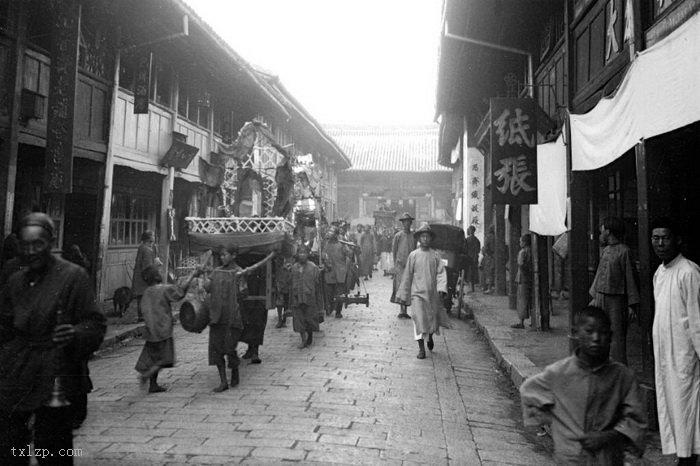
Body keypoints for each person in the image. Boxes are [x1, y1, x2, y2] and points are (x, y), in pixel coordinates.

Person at [0, 213, 106, 466]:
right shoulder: (15, 280)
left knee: (54, 449)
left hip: (56, 370)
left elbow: (95, 323)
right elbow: (3, 325)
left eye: (38, 244)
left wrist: (76, 333)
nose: (32, 250)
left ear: (50, 242)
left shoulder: (73, 276)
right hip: (18, 372)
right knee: (11, 446)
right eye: (26, 244)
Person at [519, 306, 646, 465]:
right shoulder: (558, 373)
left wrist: (610, 436)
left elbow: (637, 420)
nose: (596, 338)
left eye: (603, 333)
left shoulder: (623, 377)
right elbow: (528, 391)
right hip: (570, 458)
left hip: (606, 459)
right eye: (589, 331)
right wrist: (558, 423)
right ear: (576, 333)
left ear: (611, 336)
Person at [650, 217, 700, 465]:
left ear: (677, 240)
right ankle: (683, 455)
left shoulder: (689, 272)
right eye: (655, 238)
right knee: (671, 406)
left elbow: (696, 319)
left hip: (684, 355)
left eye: (665, 238)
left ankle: (689, 458)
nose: (660, 243)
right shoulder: (659, 273)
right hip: (665, 355)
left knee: (687, 407)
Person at [135, 265, 201, 393]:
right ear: (156, 276)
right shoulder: (162, 289)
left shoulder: (147, 292)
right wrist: (192, 274)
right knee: (165, 358)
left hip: (151, 331)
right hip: (163, 329)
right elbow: (179, 291)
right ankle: (147, 375)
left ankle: (153, 385)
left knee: (154, 358)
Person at [396, 223, 451, 359]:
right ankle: (421, 348)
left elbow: (441, 273)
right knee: (418, 318)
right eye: (423, 236)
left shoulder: (436, 256)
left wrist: (441, 288)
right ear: (419, 239)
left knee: (431, 319)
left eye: (427, 236)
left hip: (432, 294)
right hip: (417, 294)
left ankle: (430, 337)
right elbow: (407, 275)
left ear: (430, 239)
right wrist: (403, 293)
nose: (425, 239)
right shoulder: (413, 255)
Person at [589, 217, 640, 364]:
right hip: (600, 297)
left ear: (609, 231)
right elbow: (599, 274)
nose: (600, 232)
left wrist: (631, 305)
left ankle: (618, 370)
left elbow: (630, 277)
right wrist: (594, 296)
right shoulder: (605, 251)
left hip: (617, 301)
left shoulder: (625, 251)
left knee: (617, 337)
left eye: (602, 229)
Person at [203, 245, 248, 393]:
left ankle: (234, 370)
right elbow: (207, 287)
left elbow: (243, 293)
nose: (222, 257)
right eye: (221, 255)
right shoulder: (216, 271)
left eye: (225, 255)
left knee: (229, 349)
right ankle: (223, 381)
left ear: (233, 255)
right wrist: (204, 274)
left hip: (232, 317)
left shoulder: (239, 271)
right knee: (216, 350)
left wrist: (241, 280)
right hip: (217, 316)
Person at [290, 246, 323, 349]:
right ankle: (303, 340)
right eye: (300, 253)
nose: (302, 255)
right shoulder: (294, 267)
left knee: (310, 319)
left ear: (308, 254)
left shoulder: (313, 267)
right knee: (299, 319)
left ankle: (310, 336)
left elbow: (317, 284)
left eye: (304, 253)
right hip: (297, 297)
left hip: (309, 297)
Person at [322, 226, 352, 318]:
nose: (330, 234)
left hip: (340, 272)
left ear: (336, 235)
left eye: (332, 232)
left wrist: (352, 249)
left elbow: (349, 254)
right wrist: (326, 264)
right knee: (329, 293)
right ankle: (329, 308)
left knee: (340, 294)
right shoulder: (326, 245)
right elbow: (323, 256)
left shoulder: (342, 245)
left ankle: (338, 311)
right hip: (329, 272)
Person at [132, 230, 162, 322]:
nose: (154, 238)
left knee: (141, 297)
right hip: (144, 277)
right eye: (152, 237)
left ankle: (142, 316)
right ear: (148, 239)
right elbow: (148, 267)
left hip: (139, 276)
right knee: (146, 296)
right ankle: (145, 316)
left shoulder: (142, 247)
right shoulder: (146, 250)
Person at [391, 212, 416, 319]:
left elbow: (415, 251)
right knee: (400, 286)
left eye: (408, 222)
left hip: (410, 265)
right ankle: (401, 309)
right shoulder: (398, 236)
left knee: (408, 287)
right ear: (402, 224)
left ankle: (405, 309)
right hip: (400, 265)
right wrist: (396, 264)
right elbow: (394, 250)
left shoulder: (414, 236)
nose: (407, 224)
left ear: (410, 223)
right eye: (405, 222)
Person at [512, 234, 533, 329]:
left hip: (523, 278)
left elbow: (521, 265)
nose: (520, 243)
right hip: (530, 278)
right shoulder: (532, 250)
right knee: (530, 300)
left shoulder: (522, 252)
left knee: (522, 300)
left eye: (521, 241)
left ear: (524, 242)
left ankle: (521, 322)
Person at [464, 225, 481, 293]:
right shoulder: (477, 240)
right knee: (473, 273)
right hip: (475, 258)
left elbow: (464, 249)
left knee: (468, 273)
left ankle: (471, 288)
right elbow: (478, 250)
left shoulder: (467, 240)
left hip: (468, 258)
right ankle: (473, 287)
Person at [481, 225, 495, 294]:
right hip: (495, 256)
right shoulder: (496, 236)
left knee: (489, 272)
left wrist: (484, 251)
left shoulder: (488, 237)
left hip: (489, 256)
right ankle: (492, 287)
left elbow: (486, 247)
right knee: (493, 271)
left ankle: (489, 288)